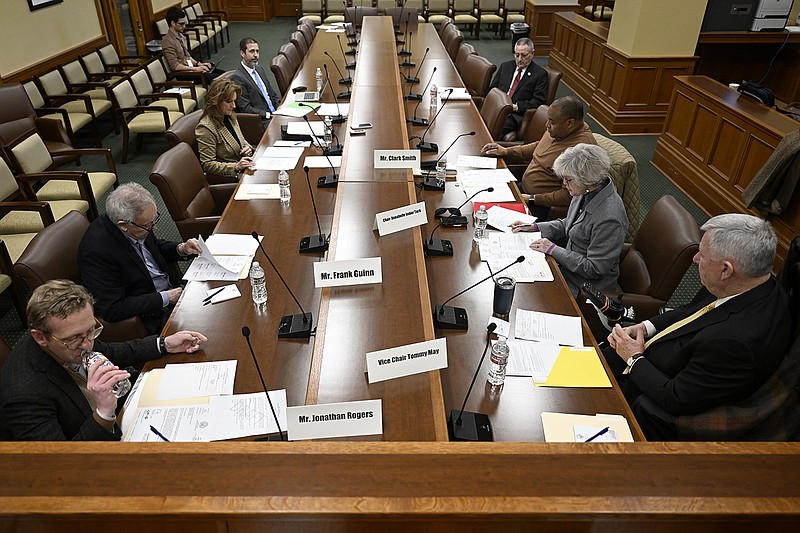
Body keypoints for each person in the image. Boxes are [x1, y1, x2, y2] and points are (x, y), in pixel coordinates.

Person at [606, 214, 792, 441]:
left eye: (702, 255)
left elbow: (675, 398)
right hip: (659, 352)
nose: (695, 258)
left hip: (653, 393)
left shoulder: (735, 343)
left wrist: (633, 358)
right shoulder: (747, 282)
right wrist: (646, 327)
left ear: (726, 269)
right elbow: (690, 310)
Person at [0, 280, 208, 440]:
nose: (88, 345)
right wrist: (103, 412)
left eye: (91, 330)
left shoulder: (71, 334)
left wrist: (163, 344)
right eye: (74, 339)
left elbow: (110, 350)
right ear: (40, 337)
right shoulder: (23, 395)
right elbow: (61, 464)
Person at [78, 183, 202, 335]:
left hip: (174, 291)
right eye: (148, 225)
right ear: (123, 225)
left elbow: (155, 247)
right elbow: (112, 308)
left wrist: (181, 248)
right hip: (153, 315)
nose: (153, 228)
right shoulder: (97, 253)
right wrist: (165, 298)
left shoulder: (137, 225)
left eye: (154, 221)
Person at [510, 143, 627, 298]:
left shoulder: (610, 217)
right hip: (567, 269)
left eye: (568, 179)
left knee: (530, 295)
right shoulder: (585, 191)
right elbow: (570, 224)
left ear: (586, 179)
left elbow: (595, 268)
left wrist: (553, 249)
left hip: (585, 287)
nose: (564, 184)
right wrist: (534, 227)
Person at [482, 95, 596, 219]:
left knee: (490, 218)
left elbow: (568, 195)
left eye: (551, 122)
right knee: (483, 197)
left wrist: (532, 199)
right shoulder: (558, 130)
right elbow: (539, 146)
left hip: (542, 206)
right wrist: (507, 151)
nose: (547, 125)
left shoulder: (582, 150)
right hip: (523, 188)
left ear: (570, 123)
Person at [195, 77, 256, 178]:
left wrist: (248, 148)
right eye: (229, 102)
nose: (234, 106)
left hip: (246, 166)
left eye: (234, 101)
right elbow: (207, 164)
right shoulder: (206, 128)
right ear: (216, 101)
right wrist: (235, 167)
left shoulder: (229, 115)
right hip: (231, 177)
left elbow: (241, 140)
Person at [487, 38, 548, 137]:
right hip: (497, 108)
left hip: (514, 115)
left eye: (524, 55)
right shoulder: (505, 67)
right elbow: (492, 89)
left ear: (532, 53)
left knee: (492, 129)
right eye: (517, 55)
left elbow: (539, 101)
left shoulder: (540, 74)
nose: (519, 59)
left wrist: (517, 107)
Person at [161, 6, 222, 83]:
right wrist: (196, 69)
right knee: (218, 79)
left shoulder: (181, 36)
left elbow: (187, 56)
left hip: (190, 68)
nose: (184, 26)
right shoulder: (167, 41)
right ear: (173, 23)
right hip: (183, 74)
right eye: (181, 24)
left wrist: (199, 64)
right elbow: (175, 66)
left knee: (223, 74)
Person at [231, 37, 280, 126]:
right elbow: (245, 108)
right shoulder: (237, 78)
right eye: (252, 51)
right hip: (262, 121)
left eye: (257, 51)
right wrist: (268, 115)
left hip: (275, 114)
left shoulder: (259, 68)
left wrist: (279, 108)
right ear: (242, 53)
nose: (255, 55)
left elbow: (272, 93)